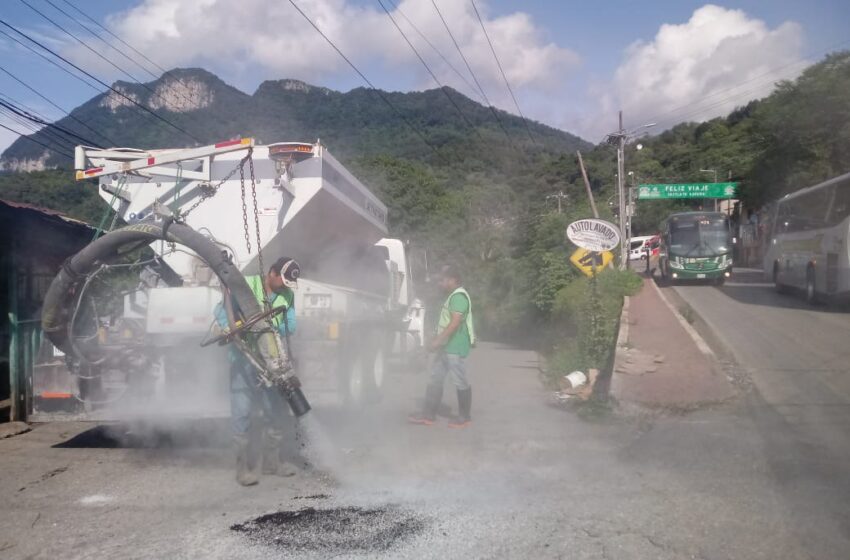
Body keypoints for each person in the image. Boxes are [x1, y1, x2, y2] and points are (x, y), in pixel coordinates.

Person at [215, 256, 301, 486]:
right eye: (281, 280)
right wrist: (235, 327)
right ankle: (242, 468)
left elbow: (290, 325)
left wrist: (267, 325)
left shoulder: (287, 295)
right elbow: (221, 312)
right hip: (243, 358)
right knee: (242, 411)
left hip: (270, 361)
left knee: (275, 409)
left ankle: (273, 463)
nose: (283, 286)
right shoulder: (245, 284)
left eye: (287, 284)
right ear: (271, 273)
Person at [409, 264, 475, 428]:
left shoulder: (458, 297)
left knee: (460, 380)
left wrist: (438, 340)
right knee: (435, 377)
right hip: (446, 346)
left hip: (455, 346)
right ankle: (428, 414)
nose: (440, 283)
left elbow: (454, 323)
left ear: (453, 280)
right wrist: (438, 340)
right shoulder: (452, 296)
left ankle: (464, 417)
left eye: (443, 280)